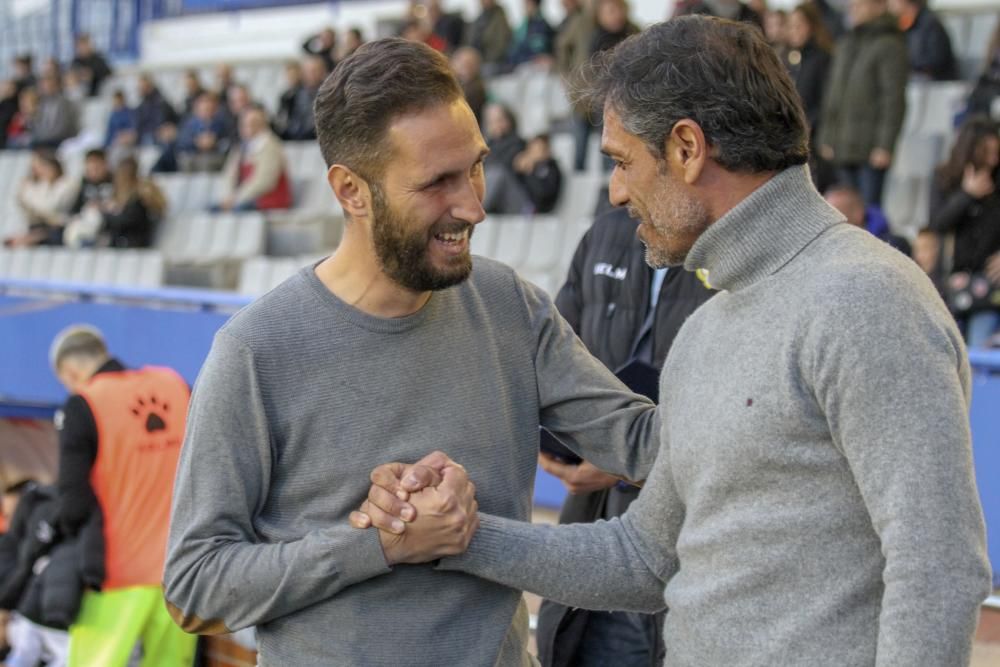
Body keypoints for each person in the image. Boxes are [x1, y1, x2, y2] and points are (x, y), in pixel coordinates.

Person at [357, 17, 992, 666]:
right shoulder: (709, 330)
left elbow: (938, 568)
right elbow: (641, 555)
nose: (616, 190)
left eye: (623, 160)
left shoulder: (867, 300)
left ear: (687, 148)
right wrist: (457, 534)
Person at [163, 38, 661, 666]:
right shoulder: (255, 352)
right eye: (437, 183)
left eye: (475, 166)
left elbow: (644, 444)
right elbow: (193, 588)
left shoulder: (510, 304)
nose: (474, 206)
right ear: (351, 191)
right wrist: (380, 542)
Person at [534, 205, 715, 667]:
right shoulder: (604, 234)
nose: (616, 188)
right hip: (592, 533)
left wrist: (623, 468)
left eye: (623, 161)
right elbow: (551, 361)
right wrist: (555, 442)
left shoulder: (731, 250)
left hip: (685, 547)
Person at [51, 325, 195, 667]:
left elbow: (72, 498)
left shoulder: (83, 403)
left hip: (117, 573)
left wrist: (68, 536)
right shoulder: (173, 385)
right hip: (182, 569)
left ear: (71, 372)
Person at [818, 0, 908, 207]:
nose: (854, 8)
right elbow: (833, 94)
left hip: (870, 148)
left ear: (879, 6)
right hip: (842, 145)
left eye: (861, 4)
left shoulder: (890, 43)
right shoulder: (846, 42)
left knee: (868, 212)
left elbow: (893, 99)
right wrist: (827, 135)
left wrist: (884, 145)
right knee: (844, 211)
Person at [928, 115, 1000, 347]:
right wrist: (967, 196)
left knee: (979, 353)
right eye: (986, 152)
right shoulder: (944, 178)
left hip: (988, 287)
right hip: (948, 284)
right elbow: (937, 223)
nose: (992, 159)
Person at [215, 107, 292, 212]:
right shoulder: (240, 147)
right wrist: (228, 197)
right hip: (243, 199)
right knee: (213, 209)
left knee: (238, 210)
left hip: (268, 200)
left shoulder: (270, 146)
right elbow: (229, 175)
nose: (246, 127)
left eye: (253, 123)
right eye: (244, 124)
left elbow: (265, 181)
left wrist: (236, 198)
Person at [6, 150, 75, 247]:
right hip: (39, 225)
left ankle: (29, 239)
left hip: (59, 228)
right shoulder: (39, 185)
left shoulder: (66, 184)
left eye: (43, 166)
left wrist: (30, 204)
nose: (40, 170)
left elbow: (49, 207)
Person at [483, 134, 563, 214]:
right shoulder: (530, 165)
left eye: (538, 149)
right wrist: (517, 168)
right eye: (531, 149)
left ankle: (480, 207)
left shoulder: (552, 170)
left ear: (547, 151)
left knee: (498, 173)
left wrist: (529, 172)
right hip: (515, 203)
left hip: (531, 209)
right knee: (493, 170)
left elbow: (542, 196)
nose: (533, 153)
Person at [824, 183, 911, 254]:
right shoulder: (826, 247)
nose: (828, 221)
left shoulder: (894, 246)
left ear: (858, 213)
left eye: (834, 214)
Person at [886, 0, 956, 81]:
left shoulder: (930, 25)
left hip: (935, 82)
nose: (889, 3)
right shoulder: (900, 25)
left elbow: (935, 61)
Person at [176, 91, 230, 172]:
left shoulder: (222, 122)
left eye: (209, 104)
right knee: (185, 161)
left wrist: (215, 142)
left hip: (214, 155)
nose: (207, 106)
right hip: (194, 154)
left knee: (206, 162)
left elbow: (228, 142)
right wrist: (197, 142)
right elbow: (182, 142)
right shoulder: (189, 123)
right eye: (204, 104)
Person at [32, 72, 79, 150]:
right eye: (43, 85)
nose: (44, 87)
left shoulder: (64, 103)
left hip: (62, 138)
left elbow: (63, 127)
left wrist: (46, 137)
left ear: (56, 85)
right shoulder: (43, 103)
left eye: (48, 85)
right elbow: (38, 124)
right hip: (45, 139)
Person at [466, 0, 513, 75]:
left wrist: (481, 61)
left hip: (492, 61)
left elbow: (500, 46)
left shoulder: (499, 17)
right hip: (475, 58)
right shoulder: (480, 18)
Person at [507, 0, 556, 68]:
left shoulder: (541, 27)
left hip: (531, 67)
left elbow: (537, 54)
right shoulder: (524, 26)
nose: (524, 7)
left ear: (534, 4)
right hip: (517, 64)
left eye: (527, 3)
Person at [451, 47, 487, 123]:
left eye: (469, 64)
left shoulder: (477, 88)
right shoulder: (447, 79)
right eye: (462, 63)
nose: (464, 67)